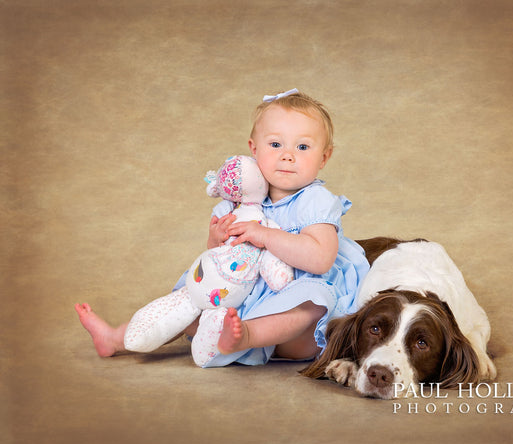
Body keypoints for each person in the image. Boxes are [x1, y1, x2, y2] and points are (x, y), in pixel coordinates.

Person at [75, 89, 370, 366]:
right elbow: (218, 254)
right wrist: (217, 238)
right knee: (192, 301)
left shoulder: (314, 200)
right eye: (276, 144)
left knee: (313, 302)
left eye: (303, 146)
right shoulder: (242, 197)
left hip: (295, 324)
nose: (287, 155)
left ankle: (247, 337)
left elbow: (320, 259)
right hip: (242, 298)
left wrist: (265, 235)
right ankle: (115, 339)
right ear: (254, 149)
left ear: (324, 157)